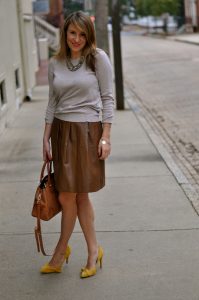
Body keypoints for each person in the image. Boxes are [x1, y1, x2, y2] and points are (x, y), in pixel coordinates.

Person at [40, 11, 114, 278]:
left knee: (74, 195)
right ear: (65, 33)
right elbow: (52, 102)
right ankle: (91, 249)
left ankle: (64, 252)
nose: (77, 39)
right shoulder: (56, 63)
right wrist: (46, 137)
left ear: (88, 35)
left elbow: (108, 98)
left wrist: (106, 136)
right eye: (73, 33)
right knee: (69, 195)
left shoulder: (97, 59)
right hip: (61, 132)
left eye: (82, 34)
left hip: (86, 132)